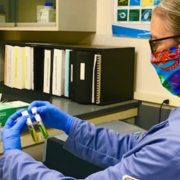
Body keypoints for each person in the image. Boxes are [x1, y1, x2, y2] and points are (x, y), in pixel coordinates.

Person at [1, 0, 180, 179]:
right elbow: (134, 148)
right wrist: (71, 125)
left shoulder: (173, 150)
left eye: (156, 43)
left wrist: (14, 160)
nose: (153, 56)